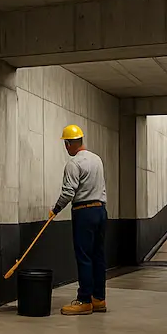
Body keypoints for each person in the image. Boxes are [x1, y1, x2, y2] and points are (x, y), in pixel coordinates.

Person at [50, 124, 108, 316]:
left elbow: (68, 192)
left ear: (68, 144)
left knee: (84, 256)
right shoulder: (97, 160)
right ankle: (98, 298)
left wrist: (56, 209)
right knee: (98, 256)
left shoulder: (73, 164)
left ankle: (84, 300)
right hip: (100, 210)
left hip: (84, 212)